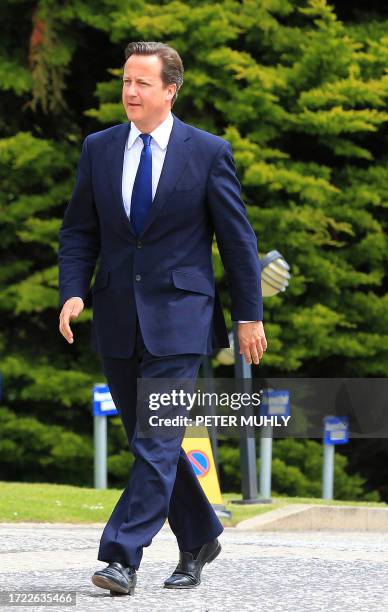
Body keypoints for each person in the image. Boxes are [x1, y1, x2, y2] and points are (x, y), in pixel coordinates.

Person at [58, 41, 267, 596]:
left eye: (142, 83)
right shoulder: (99, 149)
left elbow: (238, 241)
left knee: (155, 438)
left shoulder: (207, 152)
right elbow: (80, 229)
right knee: (151, 442)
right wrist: (73, 291)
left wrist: (250, 316)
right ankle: (200, 533)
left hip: (182, 317)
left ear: (170, 90)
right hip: (118, 317)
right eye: (126, 81)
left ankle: (121, 556)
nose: (130, 92)